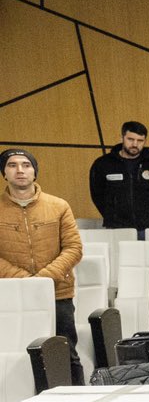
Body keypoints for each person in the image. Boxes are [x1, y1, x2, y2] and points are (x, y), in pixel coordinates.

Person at [0, 149, 84, 382]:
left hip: (58, 293)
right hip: (12, 295)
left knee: (66, 354)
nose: (20, 170)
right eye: (12, 165)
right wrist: (26, 282)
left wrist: (44, 280)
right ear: (4, 173)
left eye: (26, 165)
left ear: (34, 171)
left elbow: (73, 248)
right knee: (19, 357)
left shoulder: (58, 206)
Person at [88, 120, 149, 237]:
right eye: (130, 139)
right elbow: (97, 194)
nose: (135, 144)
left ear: (145, 141)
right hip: (116, 228)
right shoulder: (103, 164)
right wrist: (112, 214)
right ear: (122, 137)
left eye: (140, 141)